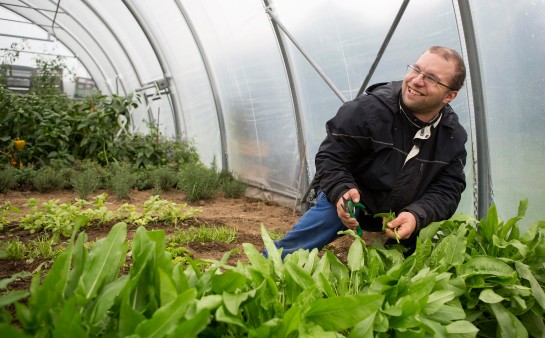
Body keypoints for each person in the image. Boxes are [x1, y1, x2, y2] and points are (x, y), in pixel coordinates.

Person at [269, 46, 467, 258]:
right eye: (416, 69)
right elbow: (332, 156)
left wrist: (417, 215)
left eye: (431, 78)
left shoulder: (452, 137)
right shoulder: (368, 110)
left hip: (402, 214)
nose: (417, 80)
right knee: (320, 223)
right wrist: (340, 189)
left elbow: (447, 189)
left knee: (408, 272)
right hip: (355, 200)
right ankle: (269, 263)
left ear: (449, 96)